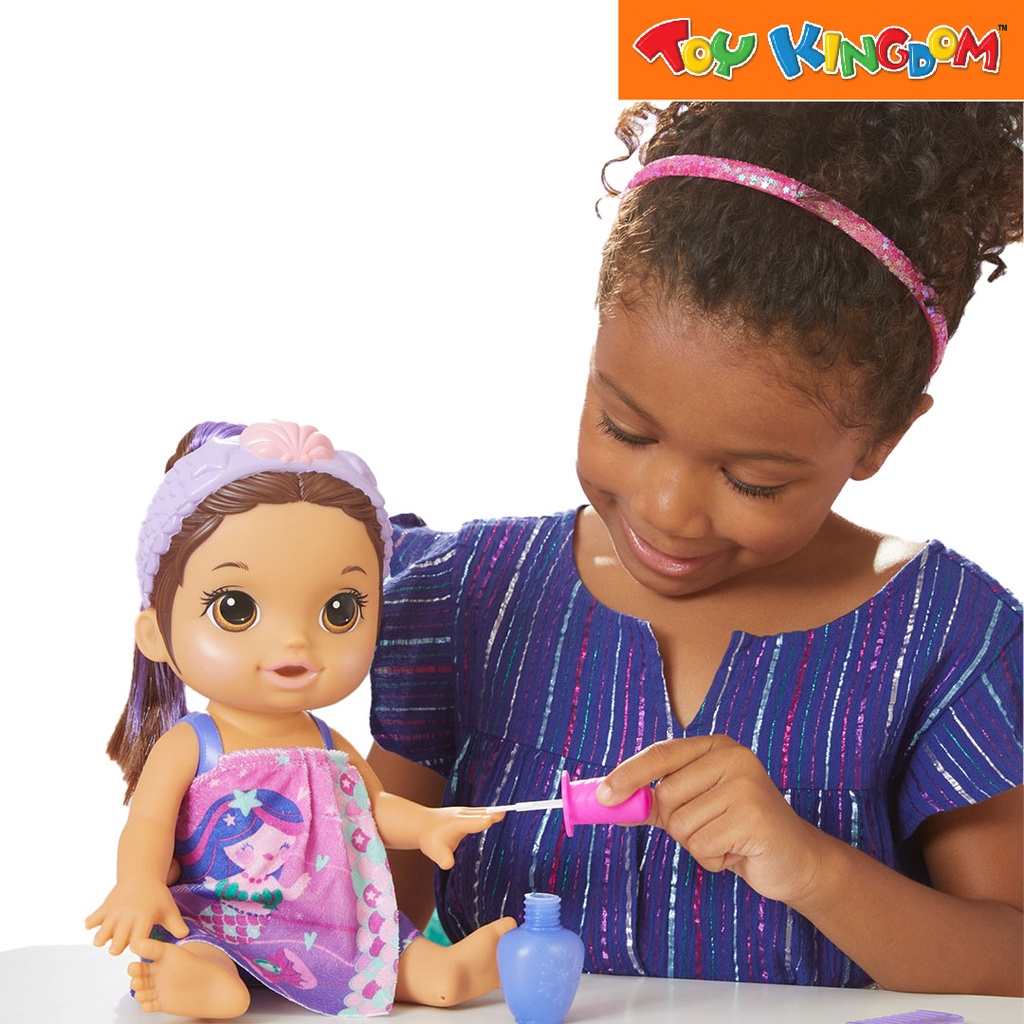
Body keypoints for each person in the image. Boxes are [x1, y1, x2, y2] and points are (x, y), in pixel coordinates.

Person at [367, 102, 1023, 995]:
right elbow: (364, 927)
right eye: (625, 428)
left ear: (883, 438)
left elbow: (1011, 961)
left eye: (752, 481)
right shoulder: (470, 599)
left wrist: (813, 868)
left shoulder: (945, 637)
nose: (667, 511)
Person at [86, 419, 514, 1018]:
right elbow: (149, 822)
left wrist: (424, 826)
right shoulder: (194, 744)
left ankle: (443, 972)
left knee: (393, 952)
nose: (295, 641)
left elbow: (371, 807)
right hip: (217, 916)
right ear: (156, 633)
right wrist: (138, 883)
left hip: (322, 927)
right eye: (235, 608)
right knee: (205, 957)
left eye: (339, 610)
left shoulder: (325, 741)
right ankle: (194, 976)